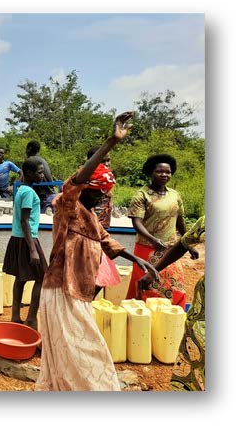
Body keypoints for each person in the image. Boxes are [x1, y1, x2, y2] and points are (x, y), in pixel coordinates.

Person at [35, 112, 159, 391]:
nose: (101, 198)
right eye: (97, 193)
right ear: (86, 190)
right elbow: (77, 180)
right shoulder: (67, 206)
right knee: (82, 349)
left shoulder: (89, 216)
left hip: (79, 289)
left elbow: (107, 242)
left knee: (77, 349)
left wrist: (139, 259)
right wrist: (111, 142)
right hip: (61, 288)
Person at [137, 215, 204, 391]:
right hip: (204, 301)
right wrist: (153, 272)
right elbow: (183, 243)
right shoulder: (206, 221)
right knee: (196, 347)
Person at [126, 154, 192, 308]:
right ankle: (142, 326)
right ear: (150, 173)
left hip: (170, 250)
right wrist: (152, 239)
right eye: (159, 171)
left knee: (176, 289)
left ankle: (172, 324)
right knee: (147, 288)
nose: (164, 175)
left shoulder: (175, 195)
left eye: (167, 172)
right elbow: (136, 222)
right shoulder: (141, 195)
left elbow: (179, 221)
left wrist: (189, 243)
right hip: (146, 250)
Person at [2, 158, 47, 330]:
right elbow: (25, 221)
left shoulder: (21, 190)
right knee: (43, 277)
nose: (42, 175)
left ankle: (15, 316)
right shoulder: (28, 192)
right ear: (29, 173)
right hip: (27, 239)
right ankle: (31, 319)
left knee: (20, 278)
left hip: (18, 238)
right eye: (39, 172)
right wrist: (33, 249)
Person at [87, 147, 121, 298]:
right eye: (103, 160)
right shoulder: (87, 179)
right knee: (98, 273)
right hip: (89, 232)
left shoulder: (106, 178)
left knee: (101, 274)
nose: (107, 163)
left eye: (108, 160)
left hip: (102, 231)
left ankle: (87, 301)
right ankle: (85, 301)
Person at [25, 140, 56, 212]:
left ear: (29, 149)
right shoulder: (42, 160)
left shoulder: (31, 161)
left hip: (44, 197)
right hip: (51, 195)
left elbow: (26, 179)